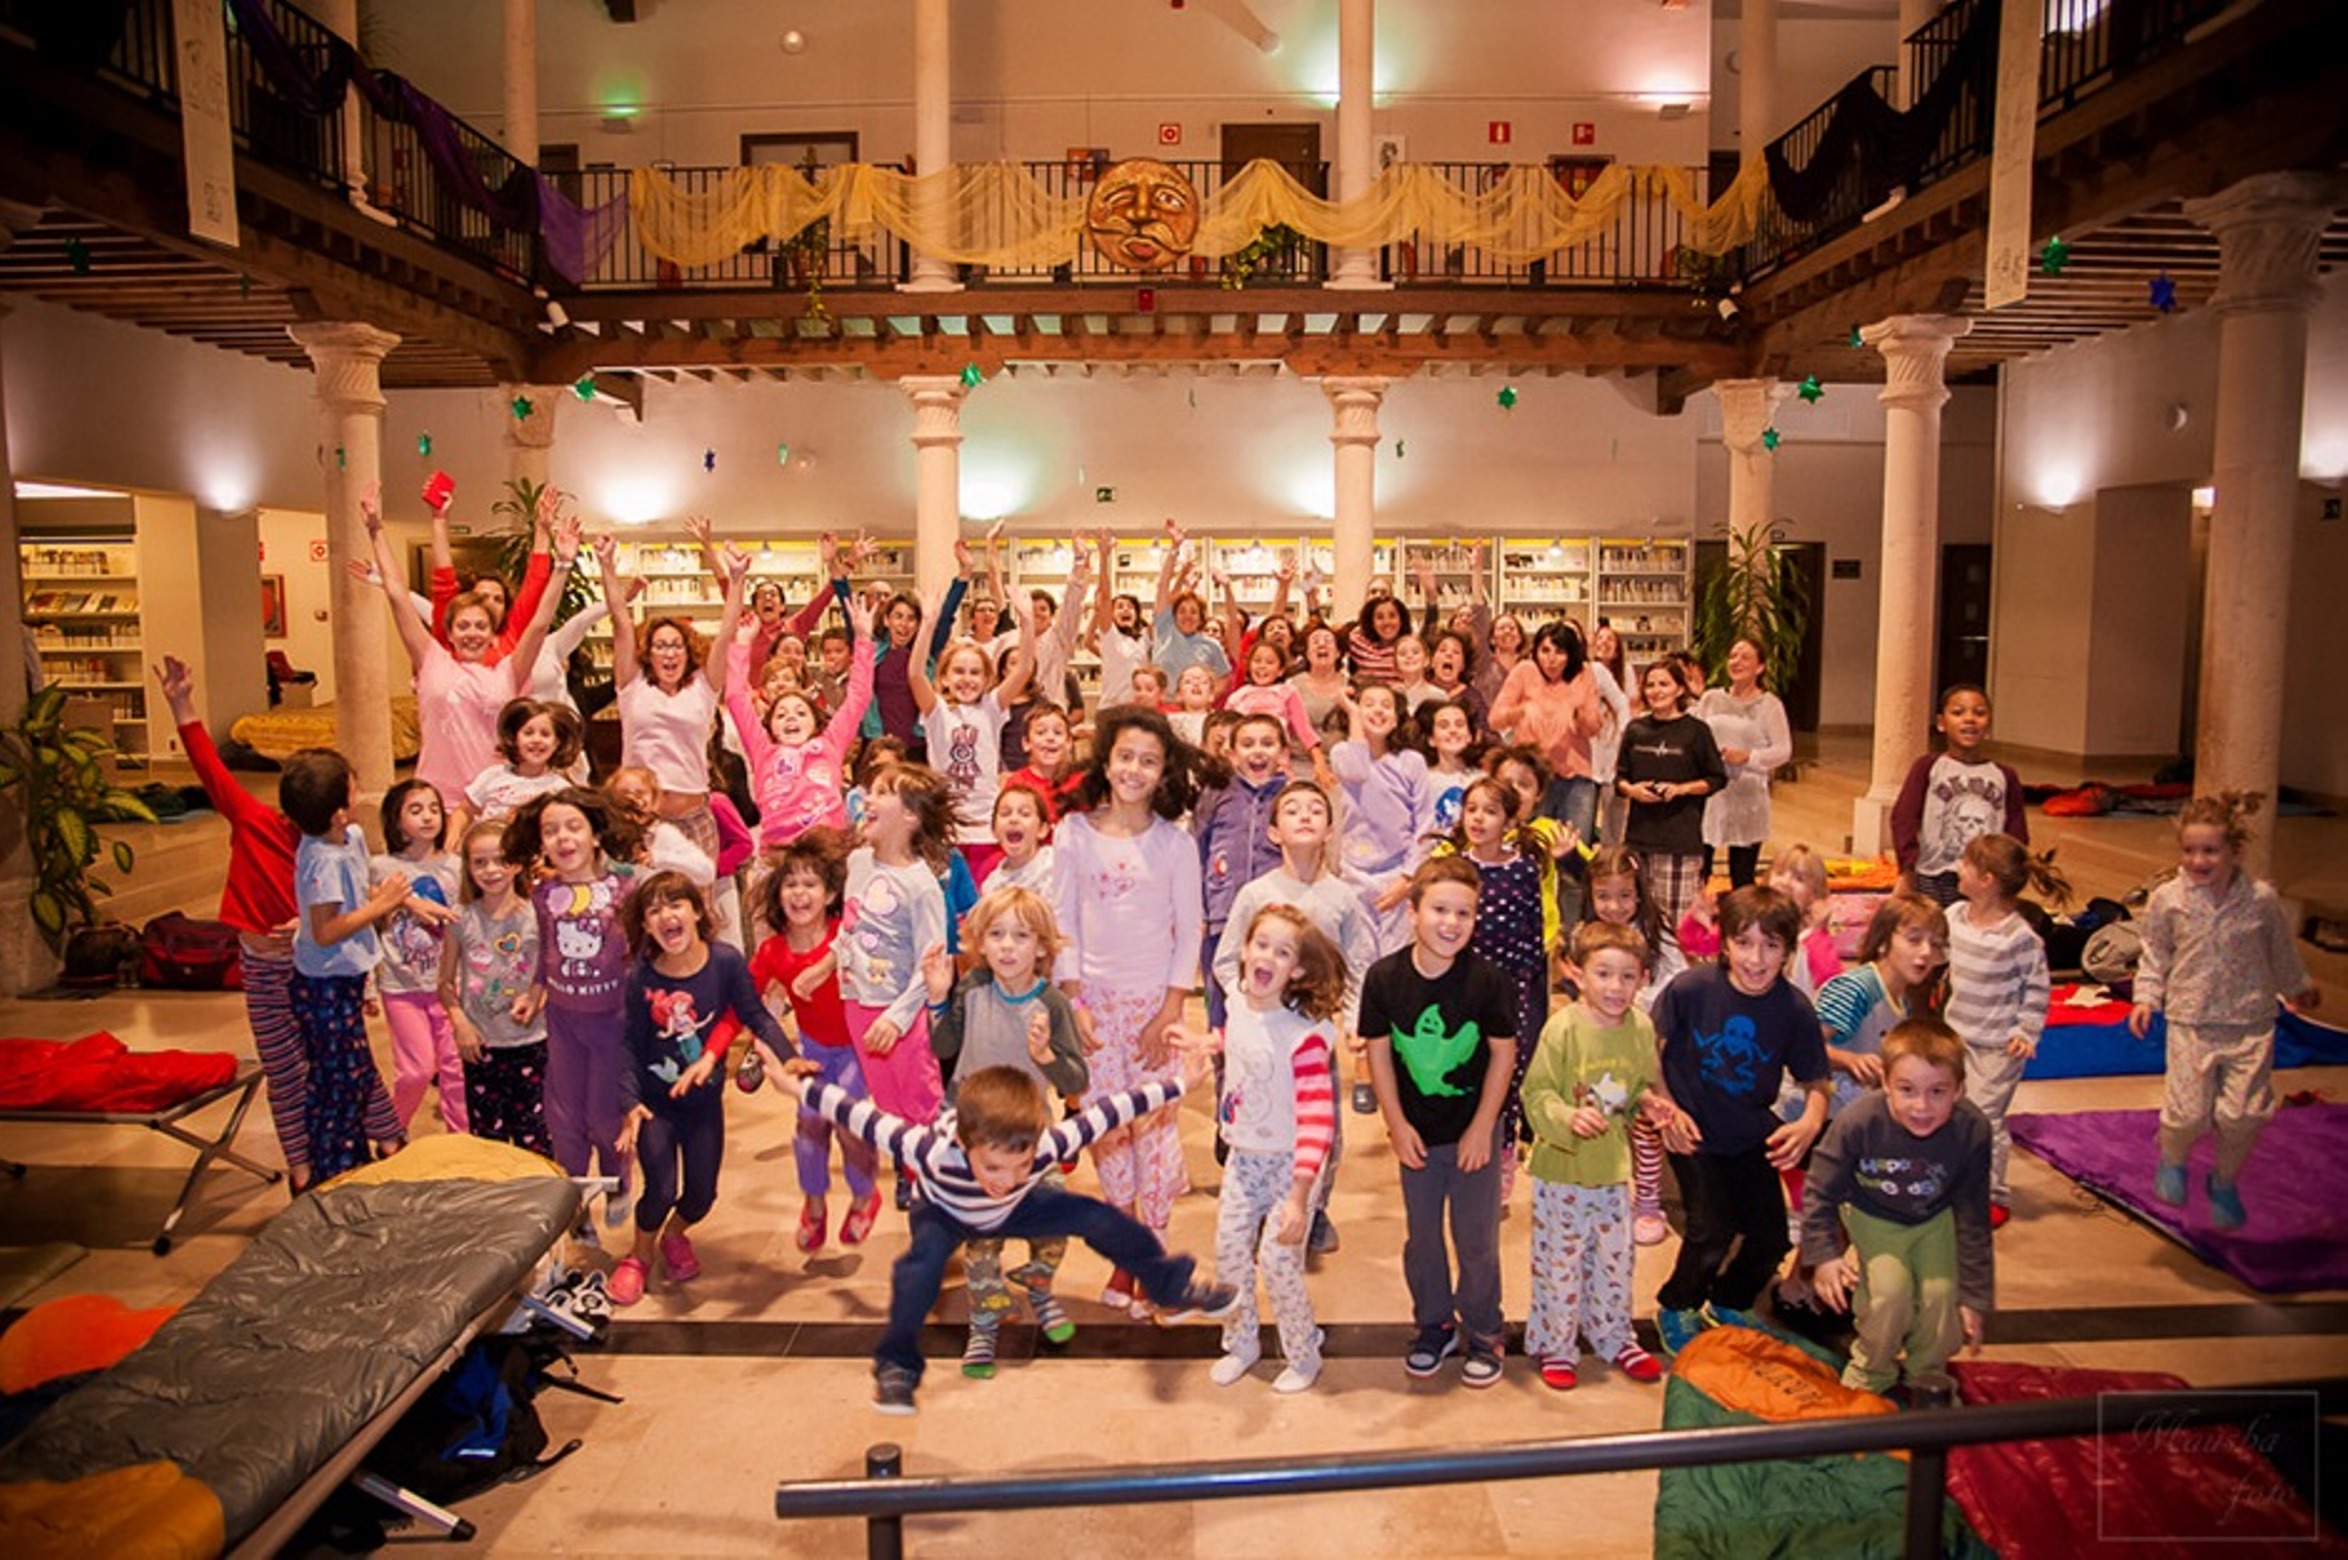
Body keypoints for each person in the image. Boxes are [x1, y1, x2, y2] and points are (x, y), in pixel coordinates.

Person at [778, 1057, 1240, 1414]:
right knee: (919, 1270)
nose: (1006, 1175)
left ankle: (1171, 1287)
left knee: (1098, 1218)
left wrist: (1184, 1083)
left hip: (1013, 1209)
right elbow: (859, 1114)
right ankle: (896, 1366)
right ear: (965, 1145)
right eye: (994, 1166)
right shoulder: (932, 1149)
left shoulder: (1039, 1152)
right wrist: (796, 1086)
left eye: (1021, 1165)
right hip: (944, 1211)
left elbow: (1112, 1110)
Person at [154, 656, 402, 1195]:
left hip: (321, 971)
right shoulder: (259, 823)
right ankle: (302, 1165)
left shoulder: (339, 846)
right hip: (268, 966)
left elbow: (346, 912)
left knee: (347, 1056)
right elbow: (212, 773)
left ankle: (386, 1137)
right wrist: (182, 705)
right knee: (288, 1068)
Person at [1052, 706, 1206, 1314]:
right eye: (1125, 757)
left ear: (1164, 770)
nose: (1135, 769)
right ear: (1106, 761)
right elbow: (1061, 920)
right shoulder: (1073, 833)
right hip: (1094, 1010)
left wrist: (1169, 1010)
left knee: (1156, 1135)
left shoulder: (1175, 843)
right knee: (1107, 1134)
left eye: (1149, 759)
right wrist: (1074, 1002)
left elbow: (1189, 930)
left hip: (1155, 1011)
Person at [1648, 885, 1831, 1357]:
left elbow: (1817, 1082)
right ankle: (1677, 1304)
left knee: (1771, 1239)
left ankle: (1729, 1301)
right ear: (1724, 943)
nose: (1756, 958)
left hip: (1749, 1132)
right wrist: (1667, 1107)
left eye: (1771, 946)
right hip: (1692, 1132)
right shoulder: (1691, 989)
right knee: (1711, 1230)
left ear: (1789, 952)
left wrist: (1809, 1123)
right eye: (1745, 943)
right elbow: (1650, 1050)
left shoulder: (1793, 1010)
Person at [1360, 857, 1520, 1388]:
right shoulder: (1384, 979)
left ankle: (1483, 1329)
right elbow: (1379, 1054)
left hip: (1474, 1130)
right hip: (1416, 1136)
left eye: (1464, 913)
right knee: (1422, 1237)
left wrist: (1483, 1127)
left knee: (1476, 1238)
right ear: (1413, 913)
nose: (1451, 923)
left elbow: (1503, 1053)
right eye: (1439, 910)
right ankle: (1434, 1323)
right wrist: (1395, 1123)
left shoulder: (1488, 982)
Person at [2129, 793, 2320, 1230]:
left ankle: (2225, 1180)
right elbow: (2154, 952)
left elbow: (2280, 950)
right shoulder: (2168, 899)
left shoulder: (2261, 900)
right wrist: (2145, 997)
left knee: (2244, 1114)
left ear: (2234, 852)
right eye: (2190, 850)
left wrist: (2297, 987)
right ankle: (2173, 1158)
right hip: (2191, 1021)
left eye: (2210, 850)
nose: (2198, 860)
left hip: (2250, 1021)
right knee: (2188, 1113)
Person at [922, 885, 1090, 1377]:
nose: (1007, 946)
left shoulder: (1054, 1004)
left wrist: (1046, 1057)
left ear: (1042, 947)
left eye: (1021, 935)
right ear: (980, 941)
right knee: (982, 1236)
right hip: (973, 1131)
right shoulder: (973, 987)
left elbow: (1077, 1080)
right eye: (996, 934)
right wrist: (937, 1000)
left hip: (1028, 1133)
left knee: (1056, 1219)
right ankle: (985, 1320)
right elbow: (945, 1045)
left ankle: (1037, 1279)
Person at [610, 872, 795, 1306]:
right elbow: (627, 1047)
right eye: (654, 910)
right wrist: (629, 1102)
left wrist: (789, 1059)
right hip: (655, 1106)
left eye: (675, 904)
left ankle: (675, 1235)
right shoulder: (640, 978)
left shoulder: (726, 961)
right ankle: (638, 1256)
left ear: (697, 911)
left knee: (701, 1195)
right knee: (659, 1188)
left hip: (705, 1104)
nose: (666, 916)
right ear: (646, 926)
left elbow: (756, 1015)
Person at [1213, 779, 1379, 1253]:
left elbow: (1358, 963)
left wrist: (1352, 1020)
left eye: (1315, 810)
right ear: (1273, 832)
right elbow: (1227, 962)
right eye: (1292, 810)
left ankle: (1314, 1206)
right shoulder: (1255, 894)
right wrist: (1243, 1004)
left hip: (1311, 1036)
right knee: (1258, 1114)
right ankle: (1258, 1206)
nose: (1305, 816)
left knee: (1320, 1122)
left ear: (1329, 830)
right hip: (1260, 1035)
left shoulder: (1342, 898)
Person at [1521, 920, 1685, 1389]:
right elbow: (1537, 1095)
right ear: (1577, 974)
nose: (1615, 987)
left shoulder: (1639, 1028)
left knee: (1616, 1258)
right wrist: (1567, 1117)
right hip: (1563, 1173)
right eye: (1604, 974)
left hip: (1613, 1171)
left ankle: (1614, 1335)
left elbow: (1633, 1090)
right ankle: (1557, 1342)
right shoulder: (1563, 1029)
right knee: (1561, 1262)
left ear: (1644, 978)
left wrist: (1649, 1103)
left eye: (1627, 976)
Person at [1802, 1018, 1994, 1404]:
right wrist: (1825, 1256)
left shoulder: (1972, 1129)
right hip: (1873, 1216)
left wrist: (1975, 1296)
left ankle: (1928, 1375)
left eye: (1937, 1092)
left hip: (1933, 1218)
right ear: (1886, 1083)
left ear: (1959, 1090)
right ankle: (1872, 1369)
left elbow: (1972, 1215)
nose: (1921, 1106)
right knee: (1890, 1293)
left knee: (1941, 1297)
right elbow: (1820, 1190)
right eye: (1907, 1090)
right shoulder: (1858, 1123)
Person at [362, 487, 572, 817]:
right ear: (449, 631)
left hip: (497, 799)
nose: (471, 633)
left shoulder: (508, 670)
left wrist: (562, 565)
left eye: (480, 626)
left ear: (492, 635)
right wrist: (375, 529)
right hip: (437, 800)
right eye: (463, 626)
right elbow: (397, 596)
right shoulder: (431, 659)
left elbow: (539, 623)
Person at [1203, 904, 1342, 1393]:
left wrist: (1301, 1197)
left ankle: (1304, 1352)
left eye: (1283, 952)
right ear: (1244, 950)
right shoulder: (1240, 1003)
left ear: (1297, 970)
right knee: (1229, 1256)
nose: (1267, 957)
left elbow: (1317, 1122)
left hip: (1291, 1166)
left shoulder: (1304, 1039)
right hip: (1242, 1159)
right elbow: (1243, 1040)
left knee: (1280, 1263)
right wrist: (1209, 1043)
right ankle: (1240, 1343)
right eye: (1261, 944)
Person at [1430, 776, 1586, 1198]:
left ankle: (1501, 1161)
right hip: (1459, 989)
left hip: (1510, 989)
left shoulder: (1522, 868)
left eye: (1491, 811)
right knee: (1461, 1070)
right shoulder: (1454, 869)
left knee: (1507, 1076)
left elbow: (1532, 936)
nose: (1479, 818)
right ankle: (1455, 1152)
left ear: (1510, 820)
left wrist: (1527, 989)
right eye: (1472, 809)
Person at [508, 786, 641, 1233]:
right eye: (551, 831)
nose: (563, 838)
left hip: (614, 1025)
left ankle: (618, 1180)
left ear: (595, 836)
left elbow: (641, 954)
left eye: (573, 827)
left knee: (606, 1119)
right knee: (564, 1119)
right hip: (563, 1022)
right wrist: (534, 993)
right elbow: (547, 952)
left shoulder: (624, 888)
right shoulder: (544, 895)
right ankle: (576, 1201)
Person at [749, 829, 884, 1252]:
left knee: (848, 1122)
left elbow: (870, 932)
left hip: (857, 1050)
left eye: (810, 883)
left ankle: (865, 1195)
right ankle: (814, 1204)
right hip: (812, 1052)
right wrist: (759, 1040)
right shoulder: (772, 951)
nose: (799, 892)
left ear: (829, 895)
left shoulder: (845, 930)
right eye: (791, 883)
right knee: (808, 1125)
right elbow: (746, 1000)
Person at [283, 750, 411, 1180]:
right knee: (337, 1083)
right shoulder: (323, 858)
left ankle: (352, 1159)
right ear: (339, 812)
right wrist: (383, 905)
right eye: (354, 789)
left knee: (353, 1076)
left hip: (348, 978)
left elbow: (361, 890)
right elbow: (326, 930)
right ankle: (333, 1170)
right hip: (324, 984)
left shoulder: (349, 838)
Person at [592, 519, 748, 864]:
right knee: (642, 909)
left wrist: (736, 579)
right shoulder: (632, 685)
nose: (669, 653)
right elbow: (620, 621)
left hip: (694, 816)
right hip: (639, 819)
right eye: (660, 646)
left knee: (697, 908)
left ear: (688, 651)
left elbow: (726, 633)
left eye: (676, 646)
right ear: (648, 653)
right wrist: (606, 565)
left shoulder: (703, 688)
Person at [840, 762, 957, 1182]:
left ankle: (943, 1186)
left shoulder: (920, 884)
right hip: (858, 1005)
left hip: (900, 1014)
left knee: (921, 1106)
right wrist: (822, 969)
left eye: (883, 792)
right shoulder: (857, 863)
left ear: (910, 815)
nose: (868, 799)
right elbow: (850, 929)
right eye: (870, 791)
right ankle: (916, 1178)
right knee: (889, 1109)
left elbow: (931, 960)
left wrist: (897, 1017)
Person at [1565, 845, 1686, 1247]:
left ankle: (1648, 1200)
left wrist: (1639, 999)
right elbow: (1575, 983)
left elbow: (1677, 979)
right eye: (1604, 896)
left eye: (1623, 895)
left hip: (1641, 1046)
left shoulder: (1655, 931)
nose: (1614, 906)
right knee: (1597, 1114)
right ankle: (1598, 1191)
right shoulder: (1585, 933)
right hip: (1596, 1047)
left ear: (1639, 894)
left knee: (1642, 1122)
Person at [1945, 833, 2065, 1228]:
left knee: (1985, 1118)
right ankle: (1954, 1180)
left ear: (1987, 879)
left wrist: (2026, 1031)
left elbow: (2037, 988)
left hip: (1999, 1046)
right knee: (1953, 1112)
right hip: (1956, 1035)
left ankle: (1991, 1193)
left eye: (1965, 863)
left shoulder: (2019, 938)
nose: (1957, 868)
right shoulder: (1955, 917)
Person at [726, 593, 874, 851]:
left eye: (800, 712)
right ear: (769, 726)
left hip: (827, 848)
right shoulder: (763, 750)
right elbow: (736, 698)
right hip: (778, 852)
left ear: (815, 723)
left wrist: (862, 639)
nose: (791, 717)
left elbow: (858, 696)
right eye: (781, 714)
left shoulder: (830, 743)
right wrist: (741, 645)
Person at [438, 820, 551, 1156]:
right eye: (480, 862)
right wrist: (460, 1023)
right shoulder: (461, 918)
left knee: (536, 1136)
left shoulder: (537, 915)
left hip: (532, 1043)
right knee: (489, 1142)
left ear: (517, 863)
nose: (491, 870)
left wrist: (535, 998)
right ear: (468, 868)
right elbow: (443, 983)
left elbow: (548, 974)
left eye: (501, 860)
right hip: (481, 1047)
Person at [911, 585, 1033, 885]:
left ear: (988, 678)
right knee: (951, 909)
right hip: (945, 831)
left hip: (985, 829)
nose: (967, 679)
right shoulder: (937, 711)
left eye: (975, 673)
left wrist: (1027, 622)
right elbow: (914, 674)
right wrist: (927, 625)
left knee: (985, 905)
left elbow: (1024, 669)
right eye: (959, 672)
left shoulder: (992, 707)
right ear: (945, 677)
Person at [370, 779, 464, 1134]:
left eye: (434, 809)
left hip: (449, 985)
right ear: (396, 821)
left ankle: (463, 1138)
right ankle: (392, 1131)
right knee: (417, 1069)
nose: (428, 817)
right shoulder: (380, 867)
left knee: (456, 1067)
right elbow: (365, 900)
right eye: (416, 809)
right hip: (402, 987)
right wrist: (406, 901)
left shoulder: (455, 866)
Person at [1615, 658, 1727, 935]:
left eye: (1664, 684)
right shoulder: (1635, 730)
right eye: (1650, 685)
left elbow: (1716, 778)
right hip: (1639, 837)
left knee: (1676, 923)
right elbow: (1619, 778)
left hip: (1680, 839)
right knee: (1638, 917)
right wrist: (1633, 791)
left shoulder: (1697, 731)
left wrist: (1681, 789)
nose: (1656, 690)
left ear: (1679, 689)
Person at [1195, 713, 1292, 1032]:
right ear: (1232, 754)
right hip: (1222, 915)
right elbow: (1198, 847)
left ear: (1283, 753)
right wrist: (1199, 909)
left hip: (1276, 919)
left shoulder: (1291, 797)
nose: (1258, 751)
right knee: (1222, 1010)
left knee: (1276, 1004)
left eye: (1267, 743)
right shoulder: (1216, 793)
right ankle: (1227, 1078)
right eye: (1247, 744)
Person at [1891, 685, 2027, 907]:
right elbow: (1904, 818)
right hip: (1934, 875)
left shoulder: (2004, 775)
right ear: (1941, 723)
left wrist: (2010, 876)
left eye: (1979, 713)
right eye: (1958, 712)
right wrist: (1907, 867)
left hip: (1985, 880)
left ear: (1989, 724)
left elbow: (2016, 830)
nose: (1969, 719)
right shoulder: (1928, 767)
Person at [1337, 684, 1438, 957]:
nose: (1377, 710)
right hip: (1355, 872)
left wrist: (1408, 877)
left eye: (1386, 705)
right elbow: (1357, 770)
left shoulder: (1411, 761)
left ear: (1396, 718)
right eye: (1368, 703)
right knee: (1358, 957)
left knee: (1395, 957)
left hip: (1398, 873)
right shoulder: (1343, 754)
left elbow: (1425, 821)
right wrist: (1353, 714)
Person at [1696, 637, 1792, 890]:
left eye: (1745, 657)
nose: (1736, 662)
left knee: (1742, 876)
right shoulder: (1711, 699)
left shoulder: (1769, 705)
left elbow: (1783, 750)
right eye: (1733, 656)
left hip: (1748, 797)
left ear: (1760, 667)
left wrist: (1749, 756)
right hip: (1711, 794)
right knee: (1698, 870)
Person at [460, 699, 582, 834]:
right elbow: (464, 811)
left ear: (557, 743)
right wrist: (451, 845)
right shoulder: (493, 776)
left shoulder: (560, 789)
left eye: (545, 734)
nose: (536, 740)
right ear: (514, 738)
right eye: (528, 733)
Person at [1767, 842, 1842, 997]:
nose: (1785, 882)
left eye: (1799, 878)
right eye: (1780, 873)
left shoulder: (1810, 940)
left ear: (1814, 895)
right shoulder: (1752, 921)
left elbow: (1835, 985)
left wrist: (1817, 934)